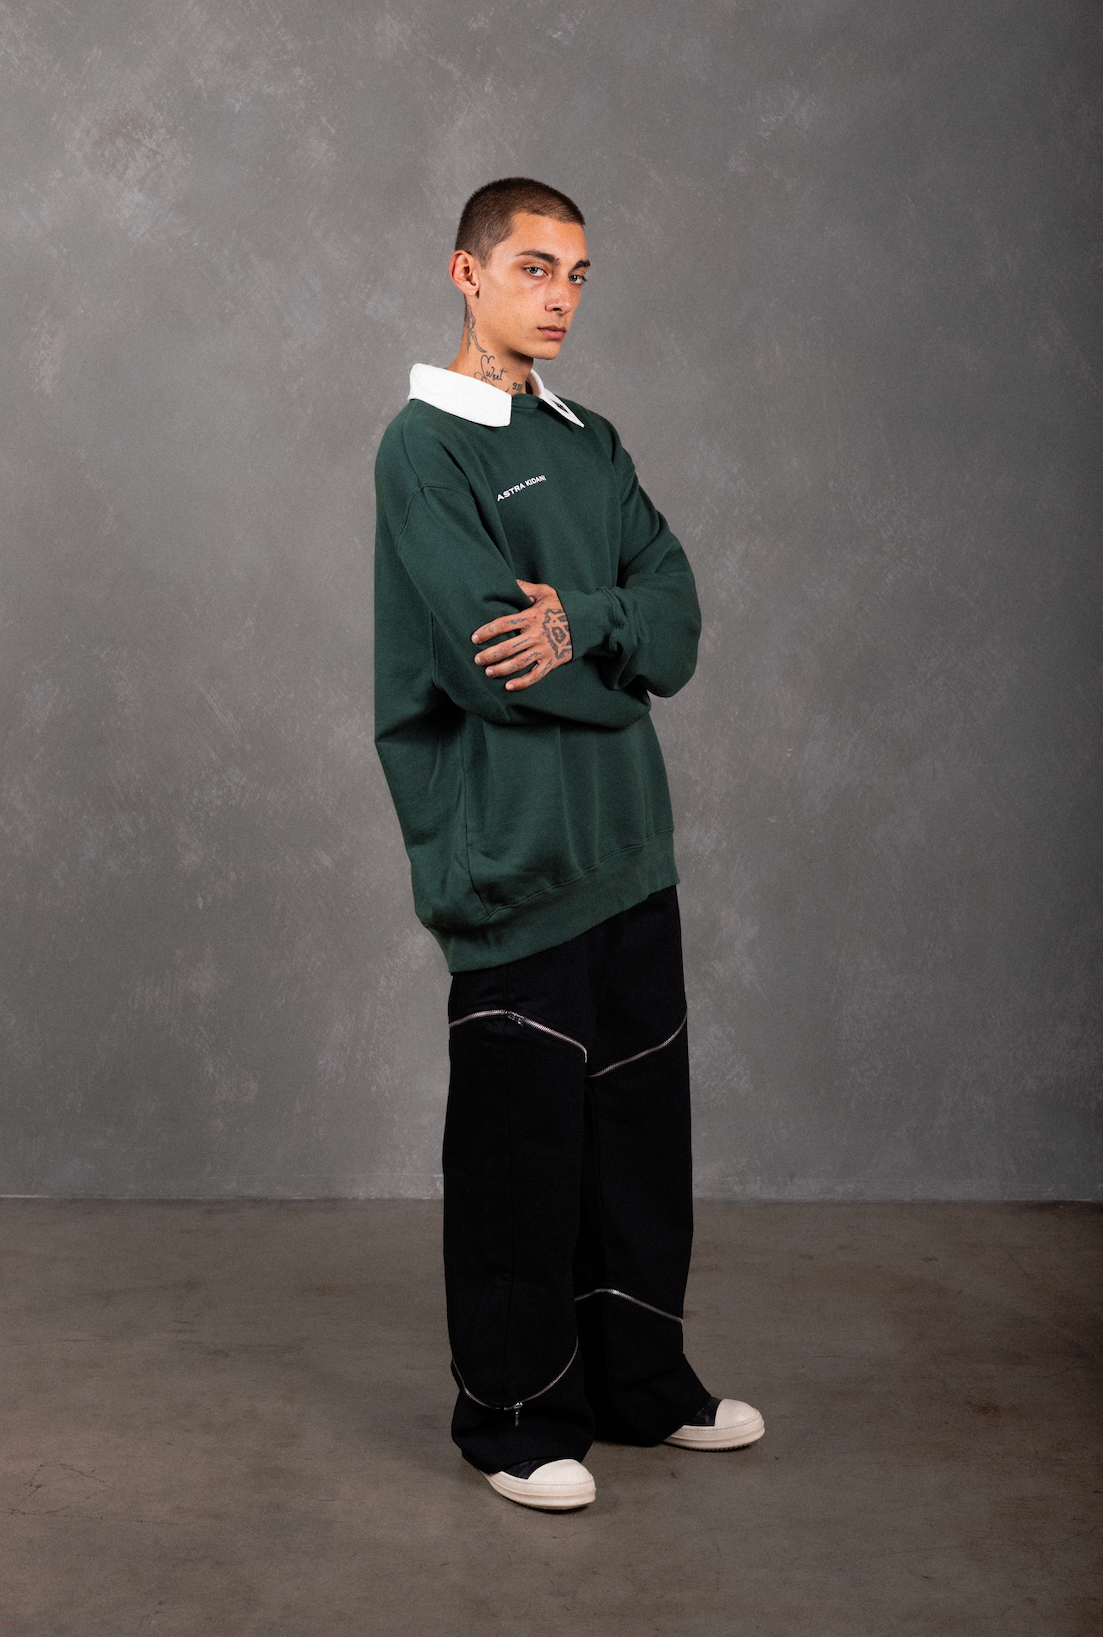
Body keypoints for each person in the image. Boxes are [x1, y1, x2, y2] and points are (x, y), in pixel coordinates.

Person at [373, 177, 763, 1511]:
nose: (561, 297)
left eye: (579, 274)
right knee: (520, 1154)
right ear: (467, 273)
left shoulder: (592, 442)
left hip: (628, 845)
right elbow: (496, 665)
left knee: (639, 1140)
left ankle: (641, 1383)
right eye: (535, 267)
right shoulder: (423, 448)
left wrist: (588, 622)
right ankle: (516, 1416)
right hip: (515, 855)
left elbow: (679, 618)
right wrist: (619, 669)